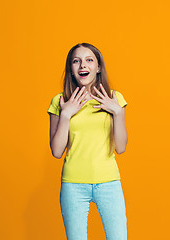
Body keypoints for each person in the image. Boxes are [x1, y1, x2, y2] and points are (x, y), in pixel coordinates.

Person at [47, 43, 128, 240]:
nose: (83, 65)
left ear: (98, 67)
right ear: (71, 69)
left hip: (109, 182)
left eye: (89, 60)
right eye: (76, 61)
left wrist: (117, 112)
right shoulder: (60, 101)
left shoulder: (113, 98)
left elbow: (121, 147)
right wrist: (65, 114)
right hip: (73, 184)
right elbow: (57, 152)